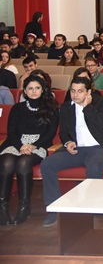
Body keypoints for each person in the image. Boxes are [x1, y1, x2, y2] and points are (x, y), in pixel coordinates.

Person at [40, 77, 103, 227]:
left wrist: (86, 107)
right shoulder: (66, 107)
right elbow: (63, 132)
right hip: (76, 150)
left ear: (88, 92)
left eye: (80, 91)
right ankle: (54, 208)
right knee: (47, 164)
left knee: (94, 168)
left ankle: (89, 207)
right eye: (73, 91)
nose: (75, 95)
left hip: (98, 148)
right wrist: (68, 142)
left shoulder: (102, 102)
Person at [0, 75, 59, 226]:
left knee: (23, 163)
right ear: (25, 91)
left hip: (39, 144)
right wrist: (20, 145)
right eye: (30, 88)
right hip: (16, 142)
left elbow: (50, 134)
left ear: (43, 90)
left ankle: (24, 207)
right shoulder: (17, 108)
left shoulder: (51, 108)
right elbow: (11, 131)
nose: (34, 91)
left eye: (37, 88)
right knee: (6, 162)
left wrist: (33, 145)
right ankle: (2, 208)